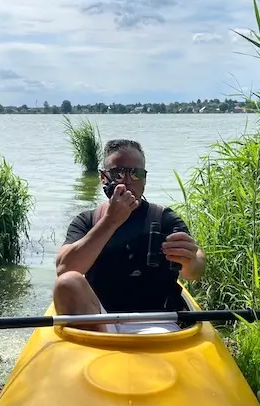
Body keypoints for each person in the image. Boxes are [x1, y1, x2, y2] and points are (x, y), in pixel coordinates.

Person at [53, 139, 206, 334]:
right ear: (103, 178)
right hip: (98, 322)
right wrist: (110, 222)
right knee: (68, 282)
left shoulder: (163, 218)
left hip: (156, 323)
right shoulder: (87, 220)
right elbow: (64, 268)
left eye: (136, 173)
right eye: (118, 173)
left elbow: (196, 270)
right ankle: (101, 349)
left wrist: (190, 260)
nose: (127, 180)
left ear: (144, 178)